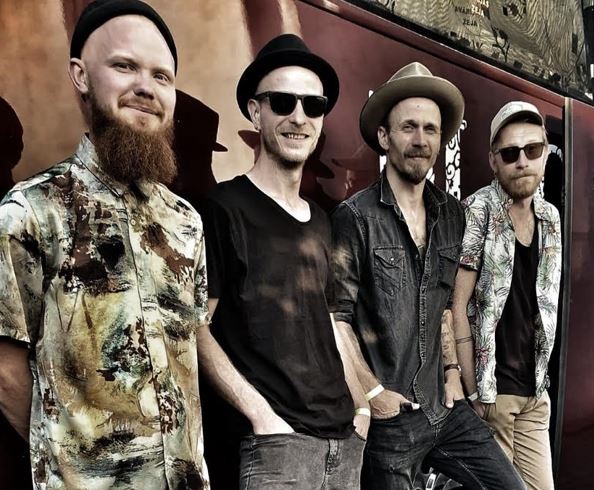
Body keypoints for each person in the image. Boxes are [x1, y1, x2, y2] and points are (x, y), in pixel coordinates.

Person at [0, 1, 209, 488]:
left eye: (161, 76)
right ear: (80, 75)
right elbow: (6, 373)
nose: (146, 87)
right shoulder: (30, 211)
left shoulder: (187, 223)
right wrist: (74, 467)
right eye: (124, 66)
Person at [330, 62, 526, 489]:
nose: (421, 140)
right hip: (393, 420)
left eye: (431, 130)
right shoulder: (355, 217)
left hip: (445, 408)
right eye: (409, 127)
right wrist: (372, 394)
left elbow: (442, 305)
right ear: (385, 137)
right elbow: (336, 319)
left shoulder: (452, 214)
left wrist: (453, 371)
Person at [198, 34, 366, 490]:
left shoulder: (322, 221)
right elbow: (195, 328)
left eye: (313, 105)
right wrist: (262, 416)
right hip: (276, 446)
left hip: (344, 443)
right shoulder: (224, 208)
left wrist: (362, 409)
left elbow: (329, 321)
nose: (299, 116)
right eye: (282, 102)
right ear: (256, 112)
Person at [452, 101, 562, 490]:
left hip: (535, 393)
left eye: (532, 150)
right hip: (492, 394)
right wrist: (473, 391)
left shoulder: (550, 218)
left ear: (545, 154)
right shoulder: (477, 211)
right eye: (510, 153)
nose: (522, 161)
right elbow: (456, 306)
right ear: (493, 161)